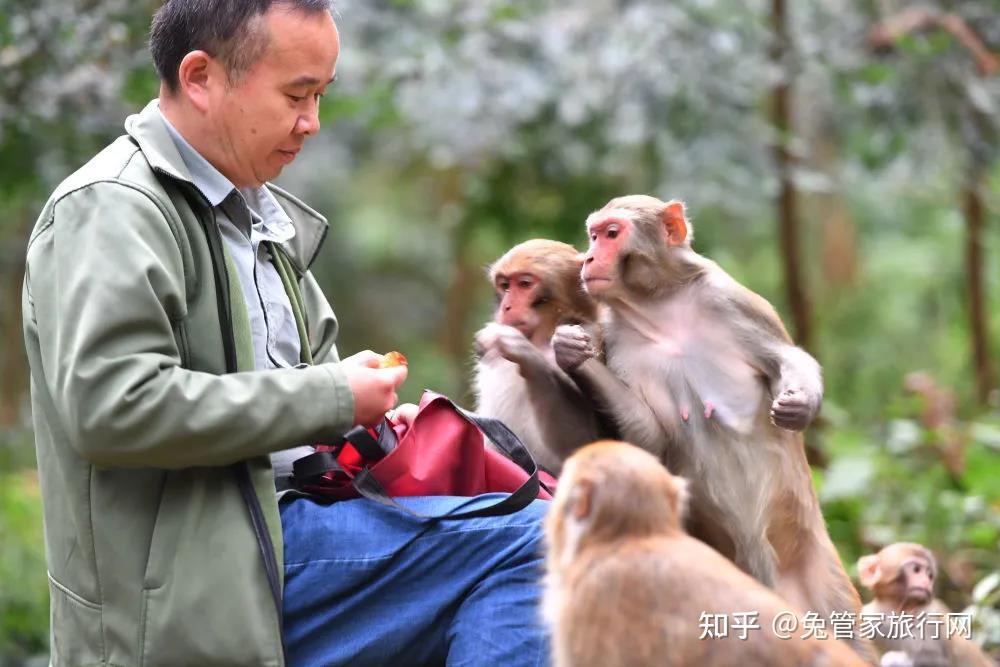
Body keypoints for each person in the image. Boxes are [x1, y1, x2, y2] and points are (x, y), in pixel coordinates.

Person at [21, 1, 550, 665]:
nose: (312, 123)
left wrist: (371, 422)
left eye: (321, 96)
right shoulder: (111, 209)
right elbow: (110, 407)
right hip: (195, 592)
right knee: (545, 544)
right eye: (297, 94)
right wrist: (331, 395)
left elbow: (305, 399)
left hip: (293, 537)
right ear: (200, 77)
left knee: (544, 527)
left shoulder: (258, 216)